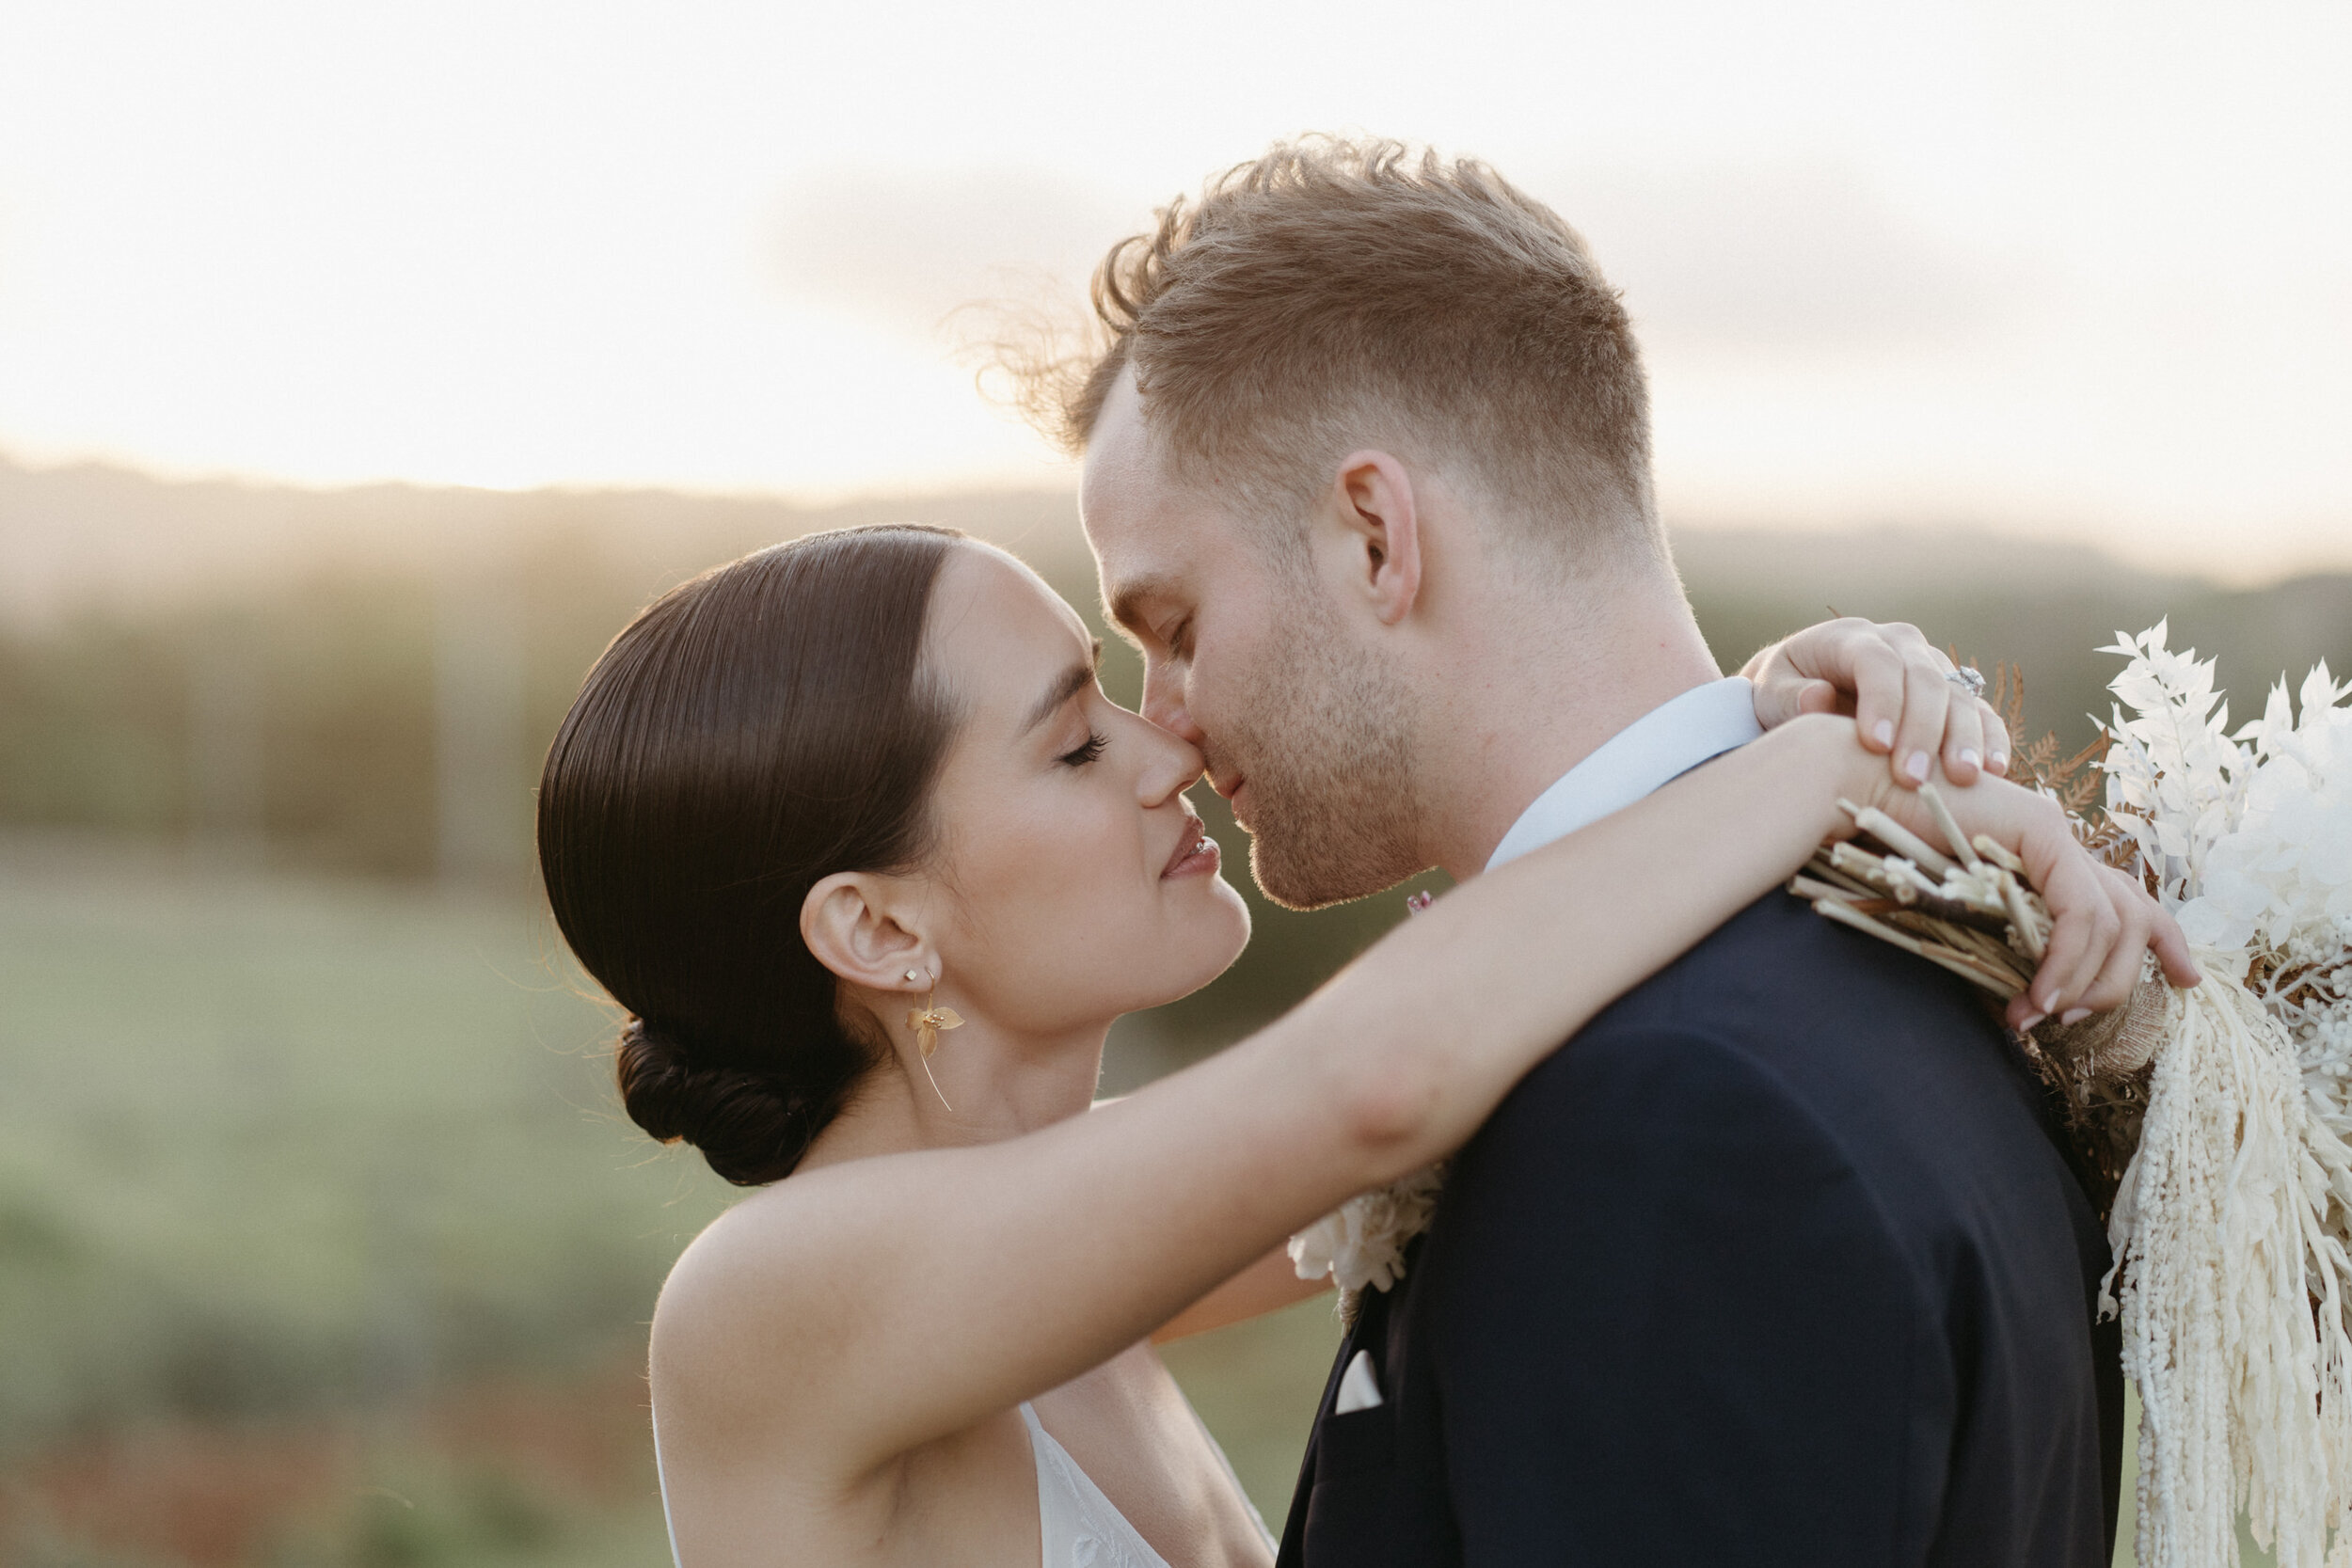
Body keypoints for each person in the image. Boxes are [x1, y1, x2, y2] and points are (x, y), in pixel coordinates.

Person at [535, 524, 2192, 1566]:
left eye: (1129, 687)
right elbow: (1383, 1080)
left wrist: (1739, 712)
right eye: (1070, 740)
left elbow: (1501, 1033)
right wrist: (1837, 770)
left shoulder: (1090, 1268)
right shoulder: (769, 1305)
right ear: (881, 929)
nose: (1166, 746)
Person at [1050, 138, 2180, 1565]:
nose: (1171, 726)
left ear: (1376, 538)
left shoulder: (1674, 1110)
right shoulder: (1896, 973)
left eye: (1177, 628)